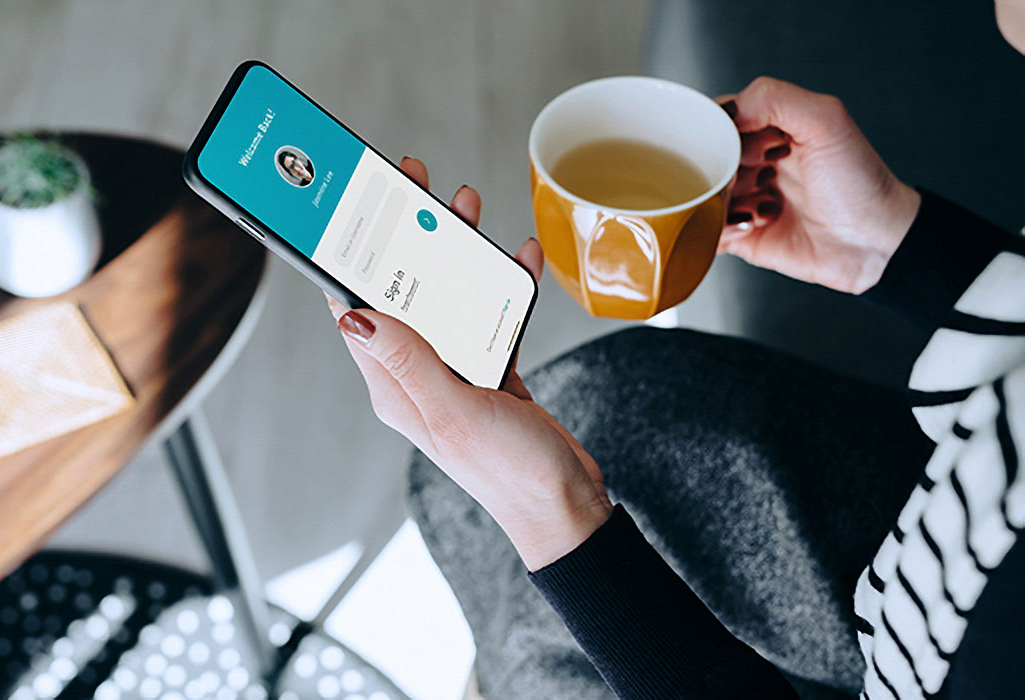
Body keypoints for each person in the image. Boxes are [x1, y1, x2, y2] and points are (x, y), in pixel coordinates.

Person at [328, 3, 1025, 697]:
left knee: (543, 642)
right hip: (952, 501)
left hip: (932, 641)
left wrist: (553, 512)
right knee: (604, 401)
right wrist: (893, 244)